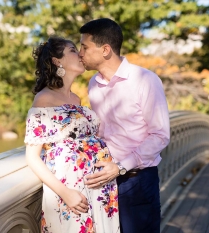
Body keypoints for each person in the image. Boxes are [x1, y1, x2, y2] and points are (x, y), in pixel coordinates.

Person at [79, 18, 170, 233]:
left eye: (84, 47)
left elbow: (160, 135)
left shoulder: (145, 80)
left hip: (137, 181)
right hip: (103, 179)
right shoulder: (94, 84)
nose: (80, 53)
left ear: (105, 50)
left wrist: (120, 167)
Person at [24, 36, 120, 233]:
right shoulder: (44, 99)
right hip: (70, 190)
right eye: (73, 50)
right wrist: (65, 193)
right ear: (57, 60)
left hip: (99, 188)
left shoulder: (76, 99)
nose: (80, 54)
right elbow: (32, 157)